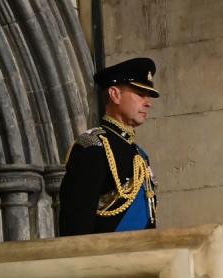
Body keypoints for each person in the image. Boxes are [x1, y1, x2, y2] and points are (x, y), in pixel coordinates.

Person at [58, 57, 159, 236]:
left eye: (148, 96)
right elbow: (76, 227)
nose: (148, 102)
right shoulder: (94, 147)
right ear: (115, 95)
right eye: (140, 94)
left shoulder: (139, 154)